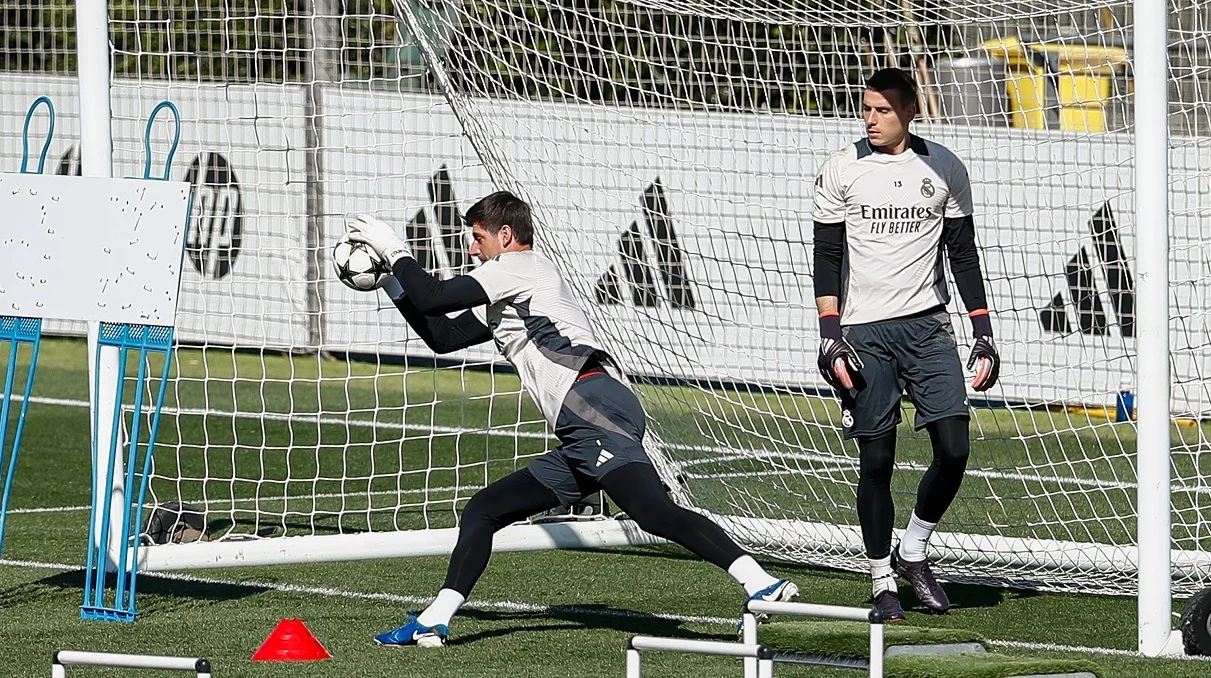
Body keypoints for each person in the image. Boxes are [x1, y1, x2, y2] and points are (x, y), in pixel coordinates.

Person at [347, 190, 798, 647]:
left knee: (653, 512)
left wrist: (395, 249)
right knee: (483, 511)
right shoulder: (509, 287)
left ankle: (762, 582)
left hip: (593, 406)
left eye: (477, 237)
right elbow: (442, 336)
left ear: (505, 236)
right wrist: (391, 283)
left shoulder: (519, 267)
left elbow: (435, 296)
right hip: (584, 422)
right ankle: (435, 619)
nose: (470, 248)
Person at [810, 67, 1000, 621]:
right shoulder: (842, 168)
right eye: (865, 108)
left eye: (882, 110)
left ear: (911, 111)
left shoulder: (944, 167)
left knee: (955, 448)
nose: (869, 119)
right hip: (864, 333)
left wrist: (983, 332)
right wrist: (830, 336)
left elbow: (963, 255)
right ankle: (880, 577)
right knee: (878, 459)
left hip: (928, 327)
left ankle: (913, 549)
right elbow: (827, 256)